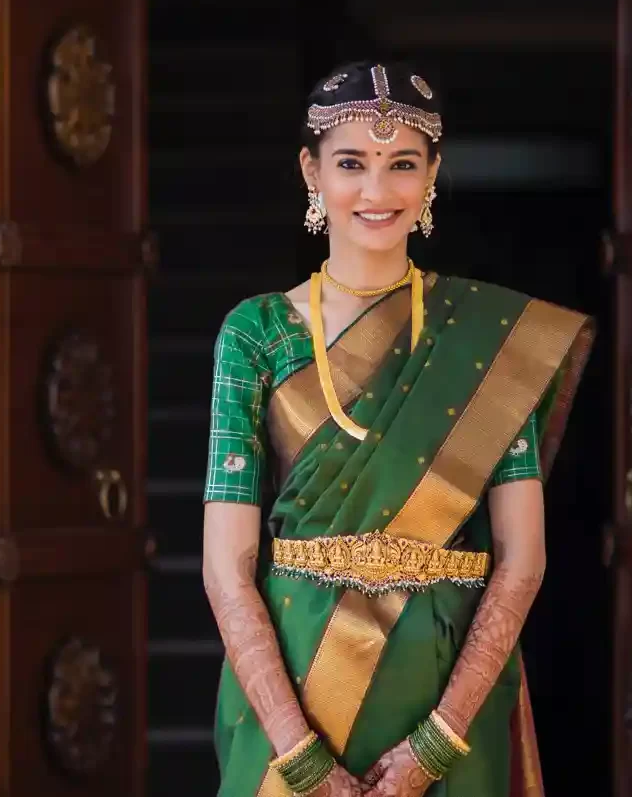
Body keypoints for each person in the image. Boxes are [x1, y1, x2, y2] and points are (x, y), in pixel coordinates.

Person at [201, 61, 595, 797]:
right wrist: (300, 754)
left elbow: (524, 558)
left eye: (401, 165)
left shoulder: (486, 345)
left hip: (449, 705)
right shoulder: (257, 334)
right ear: (310, 172)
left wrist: (439, 741)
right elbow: (226, 567)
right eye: (351, 163)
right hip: (294, 696)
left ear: (432, 175)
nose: (377, 191)